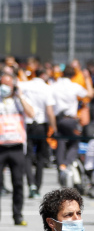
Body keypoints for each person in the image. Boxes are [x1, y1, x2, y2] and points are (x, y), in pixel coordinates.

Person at [0, 73, 34, 225]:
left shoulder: (19, 101)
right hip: (1, 147)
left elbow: (31, 113)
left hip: (16, 147)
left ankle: (18, 215)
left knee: (18, 183)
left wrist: (19, 96)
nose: (4, 87)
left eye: (8, 85)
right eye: (2, 84)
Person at [20, 64, 56, 199]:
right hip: (41, 124)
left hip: (28, 123)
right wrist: (54, 128)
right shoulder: (47, 88)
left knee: (28, 156)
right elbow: (50, 111)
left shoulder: (25, 85)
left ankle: (31, 184)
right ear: (44, 75)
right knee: (41, 157)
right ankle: (37, 185)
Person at [51, 70, 93, 188]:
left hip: (58, 119)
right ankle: (66, 163)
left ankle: (61, 166)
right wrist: (87, 79)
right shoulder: (74, 86)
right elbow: (90, 94)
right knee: (75, 143)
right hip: (70, 119)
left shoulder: (54, 85)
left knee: (61, 142)